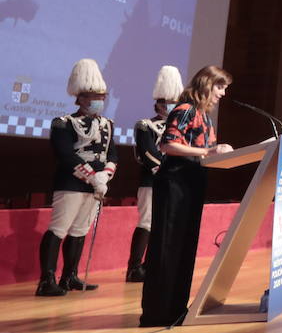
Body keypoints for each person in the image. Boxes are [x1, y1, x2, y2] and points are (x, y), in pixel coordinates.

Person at [140, 65, 234, 328]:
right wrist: (208, 152)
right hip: (175, 183)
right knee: (168, 246)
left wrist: (219, 152)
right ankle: (157, 312)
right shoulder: (185, 110)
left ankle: (176, 308)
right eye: (220, 87)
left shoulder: (206, 117)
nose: (223, 93)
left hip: (193, 183)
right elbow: (167, 144)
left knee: (184, 248)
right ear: (206, 84)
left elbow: (207, 150)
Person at [39, 58, 116, 296]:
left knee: (80, 230)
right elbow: (65, 155)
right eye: (94, 96)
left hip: (96, 186)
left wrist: (105, 175)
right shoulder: (64, 123)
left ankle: (69, 276)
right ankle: (46, 281)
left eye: (102, 96)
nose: (99, 101)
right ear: (80, 98)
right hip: (71, 183)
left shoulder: (108, 124)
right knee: (59, 228)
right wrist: (93, 177)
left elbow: (112, 154)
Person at [127, 65, 182, 281]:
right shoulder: (145, 125)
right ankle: (134, 267)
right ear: (159, 104)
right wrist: (166, 171)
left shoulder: (180, 129)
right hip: (152, 180)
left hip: (174, 182)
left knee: (165, 223)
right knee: (147, 222)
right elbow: (147, 154)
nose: (171, 106)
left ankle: (153, 265)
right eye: (168, 103)